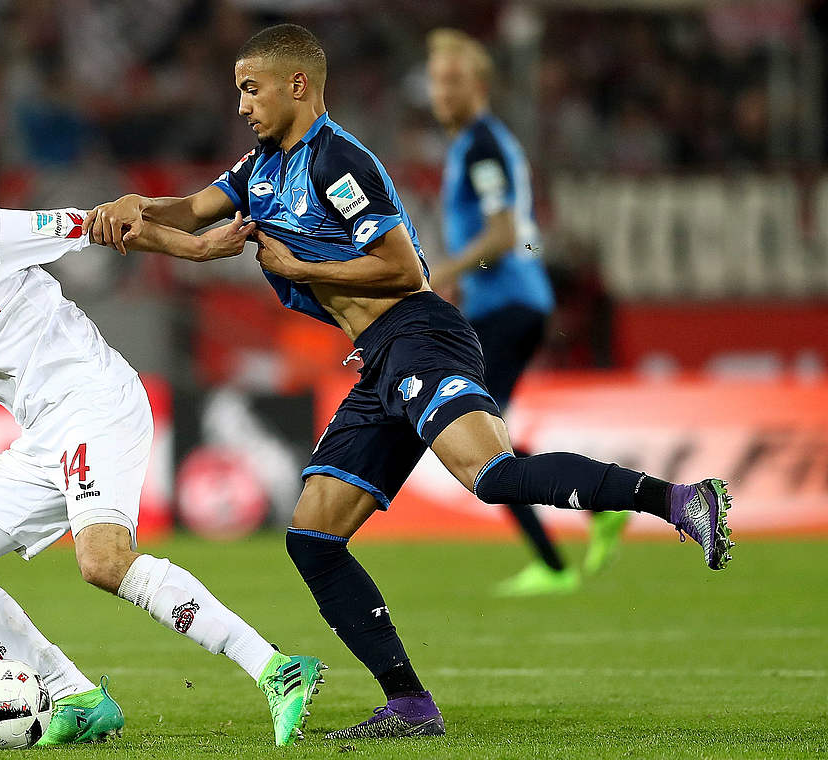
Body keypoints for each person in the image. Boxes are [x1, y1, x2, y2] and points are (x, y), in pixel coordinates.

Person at [86, 23, 733, 740]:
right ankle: (410, 704)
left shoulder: (338, 161)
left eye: (251, 89)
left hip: (420, 333)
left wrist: (300, 267)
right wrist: (134, 209)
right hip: (377, 361)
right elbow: (193, 212)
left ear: (296, 84)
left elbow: (404, 268)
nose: (241, 105)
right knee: (313, 535)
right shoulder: (260, 166)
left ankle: (678, 500)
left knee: (491, 475)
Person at [0, 175, 324, 747]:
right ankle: (76, 697)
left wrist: (195, 248)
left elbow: (102, 224)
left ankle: (274, 668)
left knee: (104, 562)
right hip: (42, 435)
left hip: (95, 400)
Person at [426, 29, 629, 596]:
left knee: (478, 438)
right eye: (436, 82)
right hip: (506, 304)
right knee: (485, 435)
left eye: (453, 81)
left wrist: (443, 274)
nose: (442, 93)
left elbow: (501, 237)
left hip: (509, 305)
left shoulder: (483, 146)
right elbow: (519, 235)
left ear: (480, 85)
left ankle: (567, 547)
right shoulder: (478, 145)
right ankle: (592, 511)